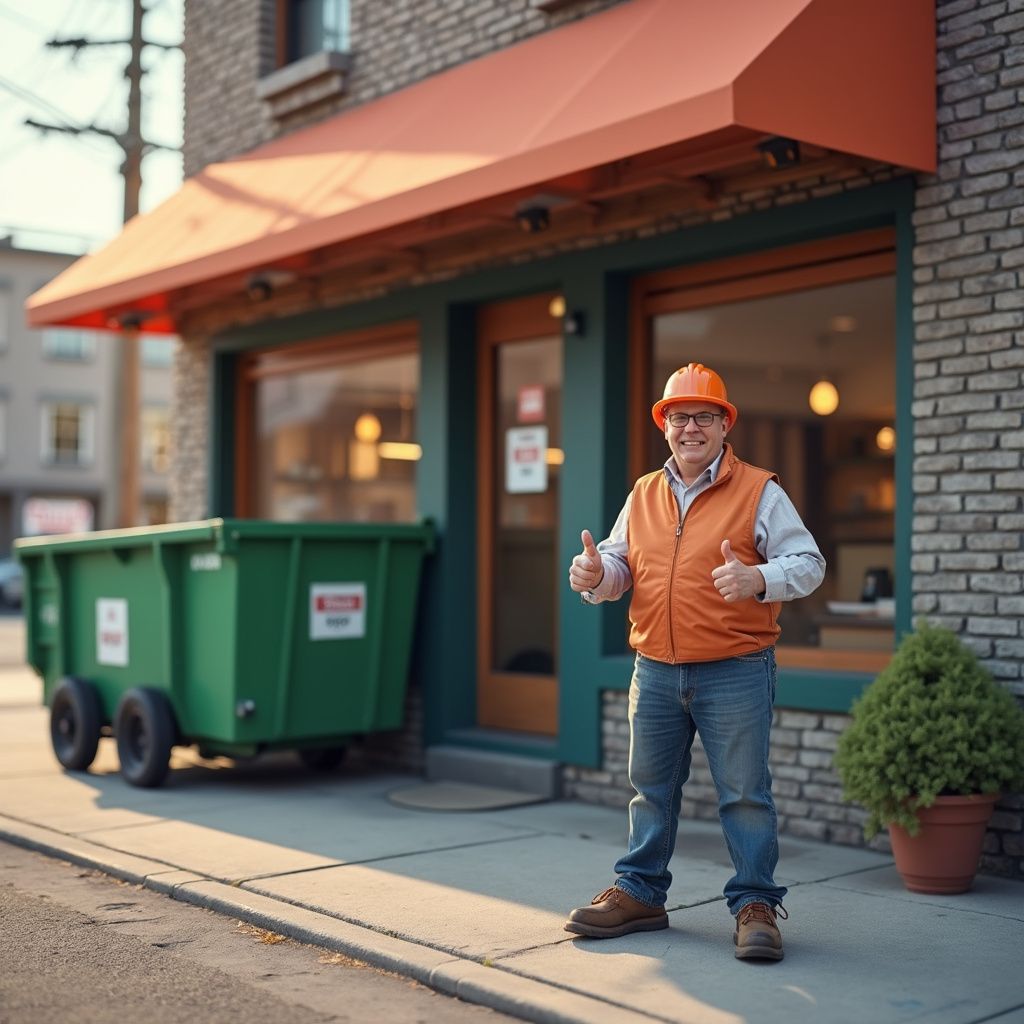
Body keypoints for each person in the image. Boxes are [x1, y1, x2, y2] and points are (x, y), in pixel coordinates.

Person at [565, 362, 825, 962]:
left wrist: (758, 577)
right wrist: (597, 574)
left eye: (704, 416)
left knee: (744, 795)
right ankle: (639, 892)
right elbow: (619, 564)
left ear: (723, 425)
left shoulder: (761, 489)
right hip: (654, 668)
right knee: (650, 791)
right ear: (664, 425)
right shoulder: (643, 492)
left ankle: (756, 904)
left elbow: (809, 563)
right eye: (679, 416)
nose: (690, 427)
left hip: (735, 667)